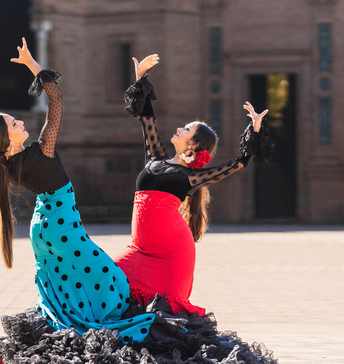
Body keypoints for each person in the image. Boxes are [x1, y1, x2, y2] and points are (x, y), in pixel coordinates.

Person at [0, 38, 155, 344]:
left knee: (67, 280)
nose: (20, 121)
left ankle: (75, 320)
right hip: (60, 227)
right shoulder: (41, 150)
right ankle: (93, 324)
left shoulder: (9, 167)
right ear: (9, 138)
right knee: (110, 278)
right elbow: (56, 100)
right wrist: (33, 64)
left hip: (44, 228)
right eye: (14, 123)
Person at [114, 54, 275, 316]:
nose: (179, 128)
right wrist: (141, 77)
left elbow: (238, 164)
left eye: (186, 129)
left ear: (193, 144)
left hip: (170, 252)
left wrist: (255, 129)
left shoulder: (189, 177)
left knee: (163, 312)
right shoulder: (156, 157)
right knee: (108, 279)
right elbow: (147, 120)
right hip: (139, 249)